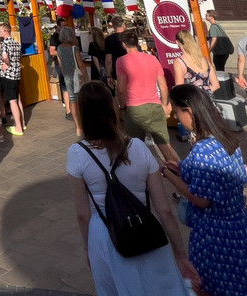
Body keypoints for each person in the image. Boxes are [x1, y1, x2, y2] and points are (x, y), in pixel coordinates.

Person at [67, 81, 198, 296]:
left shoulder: (77, 154)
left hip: (104, 235)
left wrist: (87, 247)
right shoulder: (138, 147)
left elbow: (82, 214)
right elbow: (164, 211)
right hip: (144, 227)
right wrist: (180, 254)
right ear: (112, 108)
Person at [161, 85, 247, 296]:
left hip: (218, 237)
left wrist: (169, 176)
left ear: (190, 112)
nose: (175, 117)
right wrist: (182, 168)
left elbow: (202, 200)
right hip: (242, 228)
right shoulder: (224, 136)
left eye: (176, 111)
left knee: (211, 287)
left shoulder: (203, 149)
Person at [115, 29, 179, 164]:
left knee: (133, 148)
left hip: (134, 109)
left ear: (123, 44)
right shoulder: (152, 59)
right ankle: (178, 173)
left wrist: (122, 107)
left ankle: (142, 176)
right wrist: (164, 104)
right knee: (165, 145)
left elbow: (121, 89)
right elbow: (163, 86)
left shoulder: (121, 61)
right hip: (155, 106)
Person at [0, 23, 27, 136]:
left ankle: (18, 128)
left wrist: (7, 64)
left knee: (12, 100)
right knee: (17, 98)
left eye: (0, 31)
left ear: (5, 31)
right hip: (17, 73)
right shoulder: (16, 43)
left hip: (8, 74)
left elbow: (5, 56)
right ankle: (22, 122)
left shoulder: (5, 43)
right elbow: (19, 56)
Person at [56, 26, 87, 128]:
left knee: (72, 100)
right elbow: (81, 65)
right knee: (82, 100)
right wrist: (86, 77)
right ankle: (84, 123)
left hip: (68, 77)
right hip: (77, 78)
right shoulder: (74, 49)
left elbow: (61, 65)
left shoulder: (59, 49)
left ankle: (78, 127)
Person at [103, 15, 128, 89]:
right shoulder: (130, 36)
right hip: (132, 70)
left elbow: (108, 60)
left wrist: (108, 75)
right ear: (123, 24)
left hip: (117, 72)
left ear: (113, 26)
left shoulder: (109, 39)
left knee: (121, 95)